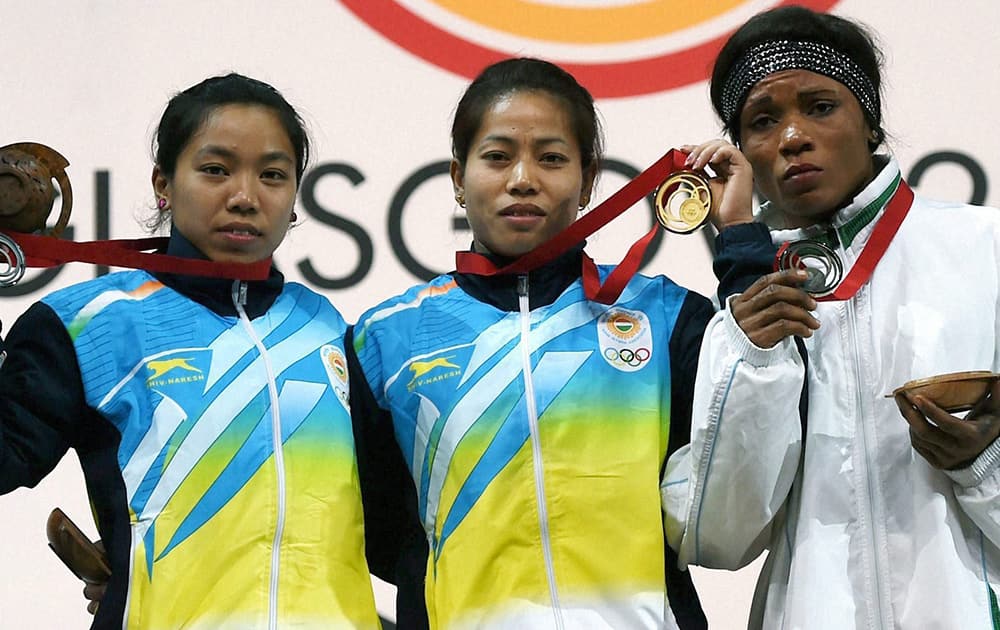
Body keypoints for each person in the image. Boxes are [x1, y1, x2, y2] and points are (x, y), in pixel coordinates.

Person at [0, 73, 383, 629]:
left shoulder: (326, 328)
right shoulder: (88, 323)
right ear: (164, 183)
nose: (245, 197)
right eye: (215, 170)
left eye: (272, 175)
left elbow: (393, 524)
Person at [349, 57, 713, 629]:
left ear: (588, 179)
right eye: (497, 157)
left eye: (551, 157)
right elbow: (383, 531)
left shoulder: (669, 319)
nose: (523, 179)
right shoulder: (385, 340)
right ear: (456, 177)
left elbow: (718, 500)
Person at [672, 6, 1000, 629]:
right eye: (763, 121)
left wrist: (985, 467)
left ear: (870, 122)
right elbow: (721, 538)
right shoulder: (745, 313)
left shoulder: (987, 249)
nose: (793, 137)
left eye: (820, 107)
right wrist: (754, 359)